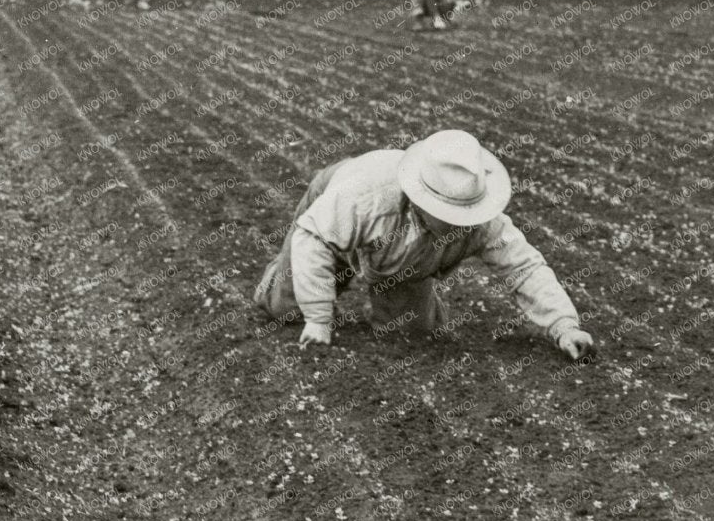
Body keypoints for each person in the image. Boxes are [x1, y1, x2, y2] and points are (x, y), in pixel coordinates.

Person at [250, 129, 596, 362]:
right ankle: (285, 283)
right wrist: (318, 319)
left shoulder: (483, 220)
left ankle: (414, 297)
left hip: (403, 260)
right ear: (421, 202)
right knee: (286, 308)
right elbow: (315, 238)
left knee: (411, 337)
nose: (463, 222)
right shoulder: (365, 197)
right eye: (452, 215)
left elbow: (524, 267)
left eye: (467, 214)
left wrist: (564, 325)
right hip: (335, 215)